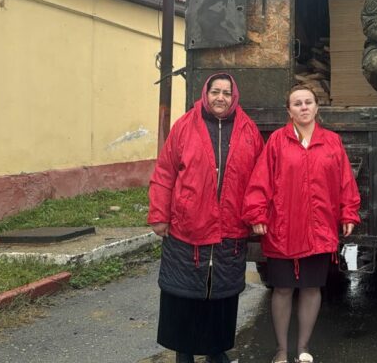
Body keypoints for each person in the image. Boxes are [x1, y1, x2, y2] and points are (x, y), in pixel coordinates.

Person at [148, 73, 264, 363]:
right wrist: (160, 214)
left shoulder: (248, 130)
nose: (220, 97)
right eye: (215, 91)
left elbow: (259, 180)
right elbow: (165, 172)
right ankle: (183, 352)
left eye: (226, 92)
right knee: (182, 294)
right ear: (206, 93)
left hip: (230, 227)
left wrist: (257, 214)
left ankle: (216, 350)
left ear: (234, 97)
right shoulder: (185, 126)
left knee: (222, 296)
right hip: (188, 226)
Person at [243, 84, 361, 363]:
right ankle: (282, 350)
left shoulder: (331, 141)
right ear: (289, 111)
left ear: (317, 107)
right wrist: (257, 214)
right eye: (297, 103)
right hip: (283, 228)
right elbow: (261, 180)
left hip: (319, 229)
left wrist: (348, 213)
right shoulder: (277, 141)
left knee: (311, 288)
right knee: (282, 289)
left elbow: (345, 181)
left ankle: (303, 348)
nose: (304, 107)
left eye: (308, 102)